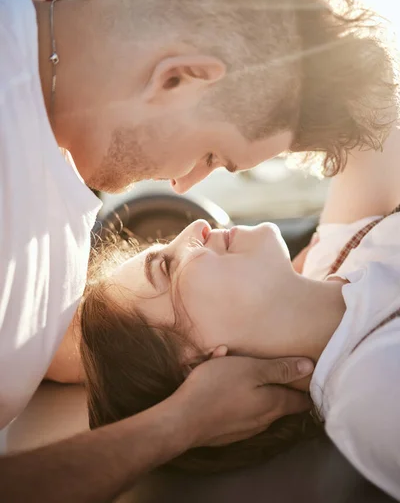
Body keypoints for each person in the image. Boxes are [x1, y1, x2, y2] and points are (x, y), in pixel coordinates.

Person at [0, 0, 397, 501]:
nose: (186, 187)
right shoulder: (376, 389)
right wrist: (183, 420)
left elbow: (76, 335)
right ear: (177, 78)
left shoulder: (340, 261)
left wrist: (77, 25)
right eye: (213, 154)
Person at [77, 125, 400, 500]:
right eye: (166, 268)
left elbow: (372, 114)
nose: (194, 227)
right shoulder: (375, 393)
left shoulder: (335, 254)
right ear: (201, 365)